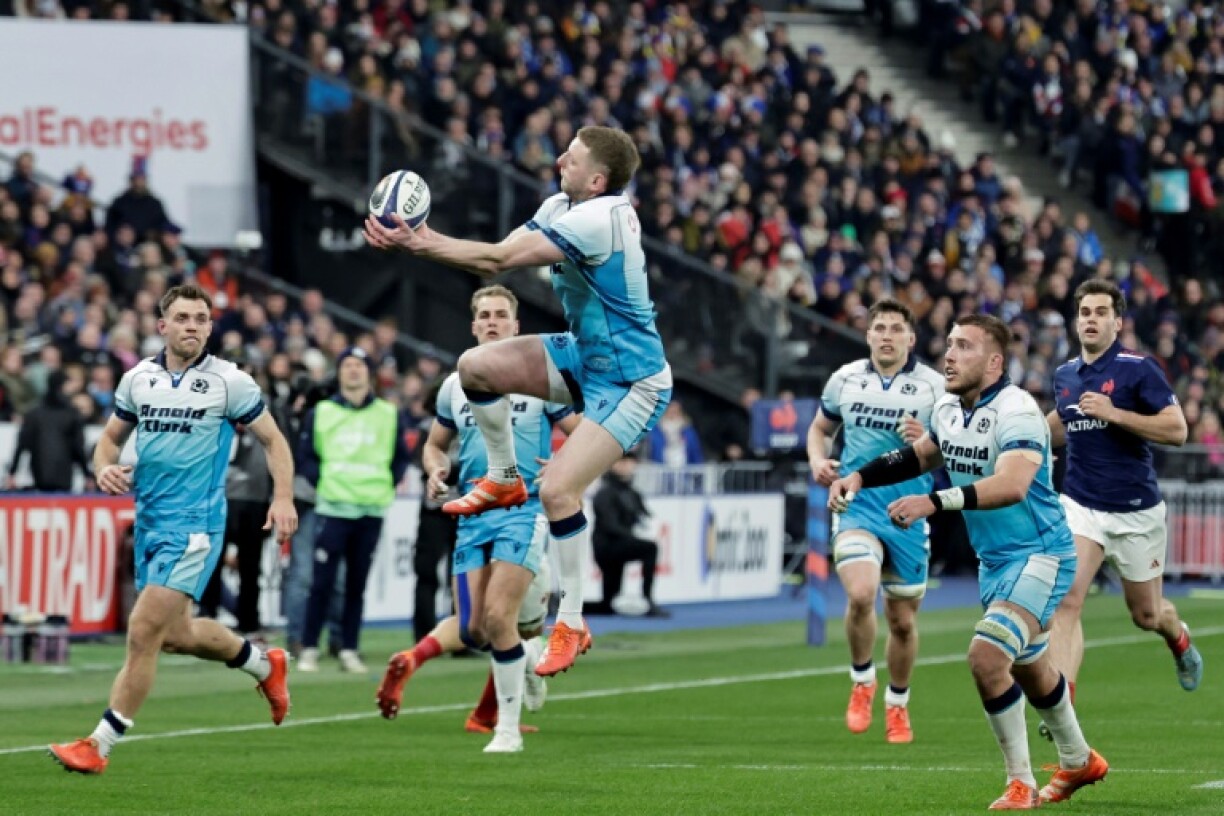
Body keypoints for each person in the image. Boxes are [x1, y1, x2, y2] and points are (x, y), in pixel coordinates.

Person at [364, 125, 672, 676]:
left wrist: (419, 241)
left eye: (572, 157)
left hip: (634, 380)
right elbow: (488, 263)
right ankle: (504, 475)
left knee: (557, 491)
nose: (559, 161)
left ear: (597, 179)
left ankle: (571, 621)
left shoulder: (600, 218)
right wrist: (423, 241)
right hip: (586, 355)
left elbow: (500, 258)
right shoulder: (562, 205)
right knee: (474, 367)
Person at [828, 315, 1108, 809]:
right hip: (995, 561)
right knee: (1032, 670)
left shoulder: (1018, 410)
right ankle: (1079, 758)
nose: (950, 355)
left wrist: (934, 502)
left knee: (986, 657)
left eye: (964, 346)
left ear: (994, 362)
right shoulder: (948, 407)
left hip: (1041, 554)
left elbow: (1012, 485)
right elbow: (919, 456)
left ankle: (1020, 782)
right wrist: (859, 477)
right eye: (950, 344)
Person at [49, 284, 298, 775]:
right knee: (177, 635)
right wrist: (103, 467)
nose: (192, 326)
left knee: (143, 630)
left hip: (195, 526)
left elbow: (274, 441)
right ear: (162, 326)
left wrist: (284, 497)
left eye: (201, 319)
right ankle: (263, 664)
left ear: (210, 327)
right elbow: (109, 440)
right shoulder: (138, 379)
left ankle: (99, 744)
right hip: (150, 521)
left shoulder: (230, 381)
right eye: (183, 318)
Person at [375, 285, 580, 753]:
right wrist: (435, 469)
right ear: (472, 326)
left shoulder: (540, 380)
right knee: (473, 629)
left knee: (499, 615)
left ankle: (506, 730)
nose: (492, 322)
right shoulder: (455, 385)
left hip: (522, 511)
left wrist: (566, 464)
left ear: (515, 326)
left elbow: (584, 431)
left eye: (500, 315)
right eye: (484, 315)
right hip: (473, 512)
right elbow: (434, 444)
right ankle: (527, 657)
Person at [1045, 280, 1202, 708]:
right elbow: (1060, 424)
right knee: (1066, 601)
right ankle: (1063, 711)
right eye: (1085, 312)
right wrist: (1020, 439)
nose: (1091, 320)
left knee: (1147, 615)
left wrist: (1115, 413)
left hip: (1135, 511)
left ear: (1118, 322)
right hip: (1080, 505)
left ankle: (1179, 639)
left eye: (1100, 312)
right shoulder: (1065, 374)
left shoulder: (1139, 368)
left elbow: (1177, 430)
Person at [805, 298, 945, 744]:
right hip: (857, 505)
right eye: (879, 328)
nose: (887, 335)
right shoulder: (845, 379)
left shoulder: (935, 388)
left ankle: (897, 703)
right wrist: (817, 461)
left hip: (908, 512)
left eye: (895, 328)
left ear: (911, 338)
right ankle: (862, 679)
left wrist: (928, 439)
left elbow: (956, 447)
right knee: (862, 593)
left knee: (902, 621)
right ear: (867, 335)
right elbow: (820, 429)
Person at [295, 347, 413, 673]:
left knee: (356, 585)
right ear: (339, 372)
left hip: (371, 508)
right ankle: (309, 647)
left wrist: (386, 483)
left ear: (369, 373)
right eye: (347, 365)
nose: (353, 370)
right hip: (333, 507)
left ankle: (349, 648)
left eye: (359, 365)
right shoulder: (321, 412)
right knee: (321, 583)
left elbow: (401, 458)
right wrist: (324, 482)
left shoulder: (388, 414)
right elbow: (305, 456)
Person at [588, 454, 668, 617]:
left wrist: (649, 527)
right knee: (650, 549)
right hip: (607, 547)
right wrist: (633, 537)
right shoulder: (605, 493)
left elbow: (645, 516)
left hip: (621, 544)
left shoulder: (632, 492)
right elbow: (609, 525)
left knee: (608, 603)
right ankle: (647, 599)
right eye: (622, 461)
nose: (626, 465)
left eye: (630, 461)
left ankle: (646, 599)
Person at [5, 370, 89, 492]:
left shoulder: (34, 413)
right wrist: (87, 474)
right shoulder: (72, 413)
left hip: (39, 471)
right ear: (62, 386)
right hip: (64, 472)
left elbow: (22, 444)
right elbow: (78, 447)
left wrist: (12, 472)